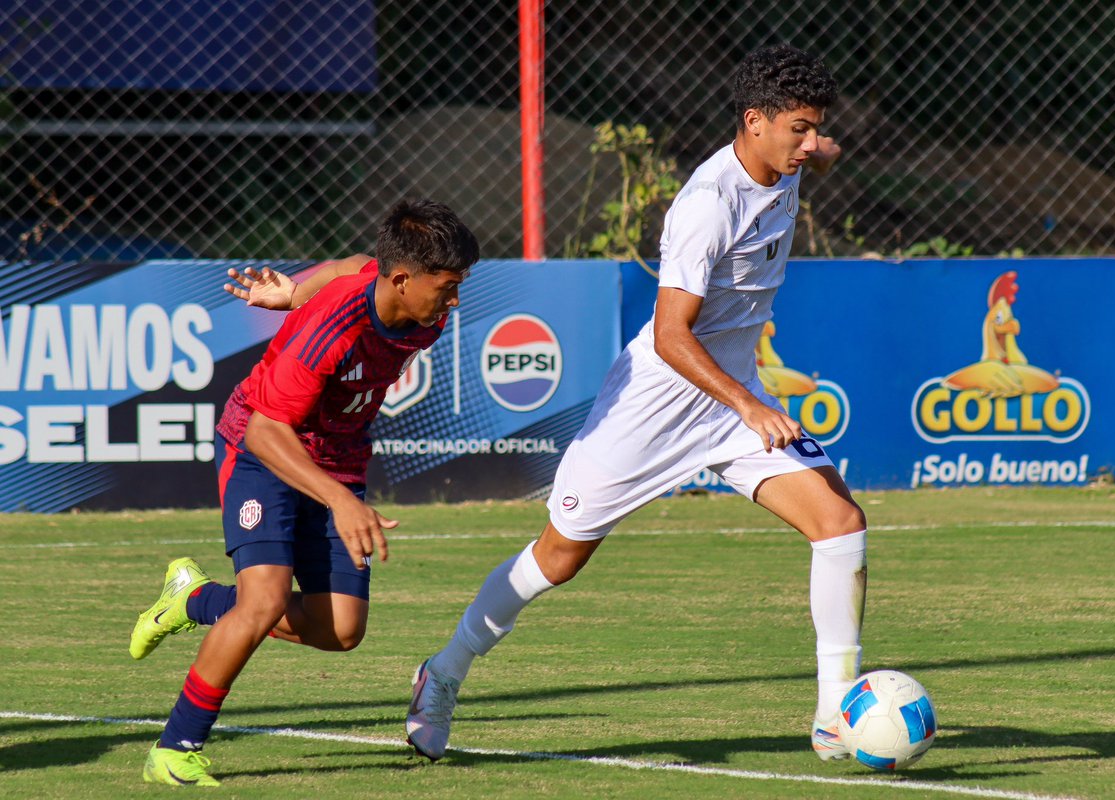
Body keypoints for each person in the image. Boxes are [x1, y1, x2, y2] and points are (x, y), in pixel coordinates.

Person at [405, 44, 866, 764]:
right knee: (558, 558)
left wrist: (820, 150)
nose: (810, 142)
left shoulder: (789, 161)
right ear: (753, 122)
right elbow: (671, 335)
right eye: (800, 128)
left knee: (839, 524)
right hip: (654, 407)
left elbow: (821, 154)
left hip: (727, 406)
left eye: (816, 129)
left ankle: (838, 712)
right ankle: (444, 671)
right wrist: (749, 404)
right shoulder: (707, 208)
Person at [129, 199, 479, 786]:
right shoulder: (333, 328)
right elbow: (268, 432)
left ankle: (193, 600)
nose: (454, 300)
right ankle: (174, 748)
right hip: (262, 448)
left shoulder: (413, 304)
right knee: (263, 601)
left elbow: (354, 263)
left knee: (339, 630)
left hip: (336, 457)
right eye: (446, 287)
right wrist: (342, 501)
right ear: (403, 279)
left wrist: (292, 291)